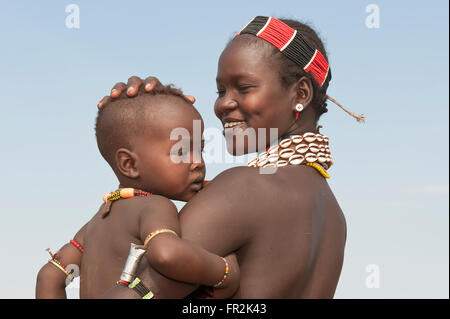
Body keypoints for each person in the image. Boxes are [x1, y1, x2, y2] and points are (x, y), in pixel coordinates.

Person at [100, 16, 364, 299]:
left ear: (300, 92)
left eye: (244, 87)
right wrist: (142, 116)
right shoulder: (333, 216)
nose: (223, 103)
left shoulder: (246, 189)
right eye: (221, 90)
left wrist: (130, 126)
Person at [35, 84, 239, 299]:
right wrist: (224, 273)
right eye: (182, 151)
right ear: (129, 164)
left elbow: (49, 275)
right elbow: (166, 254)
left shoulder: (96, 223)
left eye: (200, 150)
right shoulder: (154, 206)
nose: (198, 162)